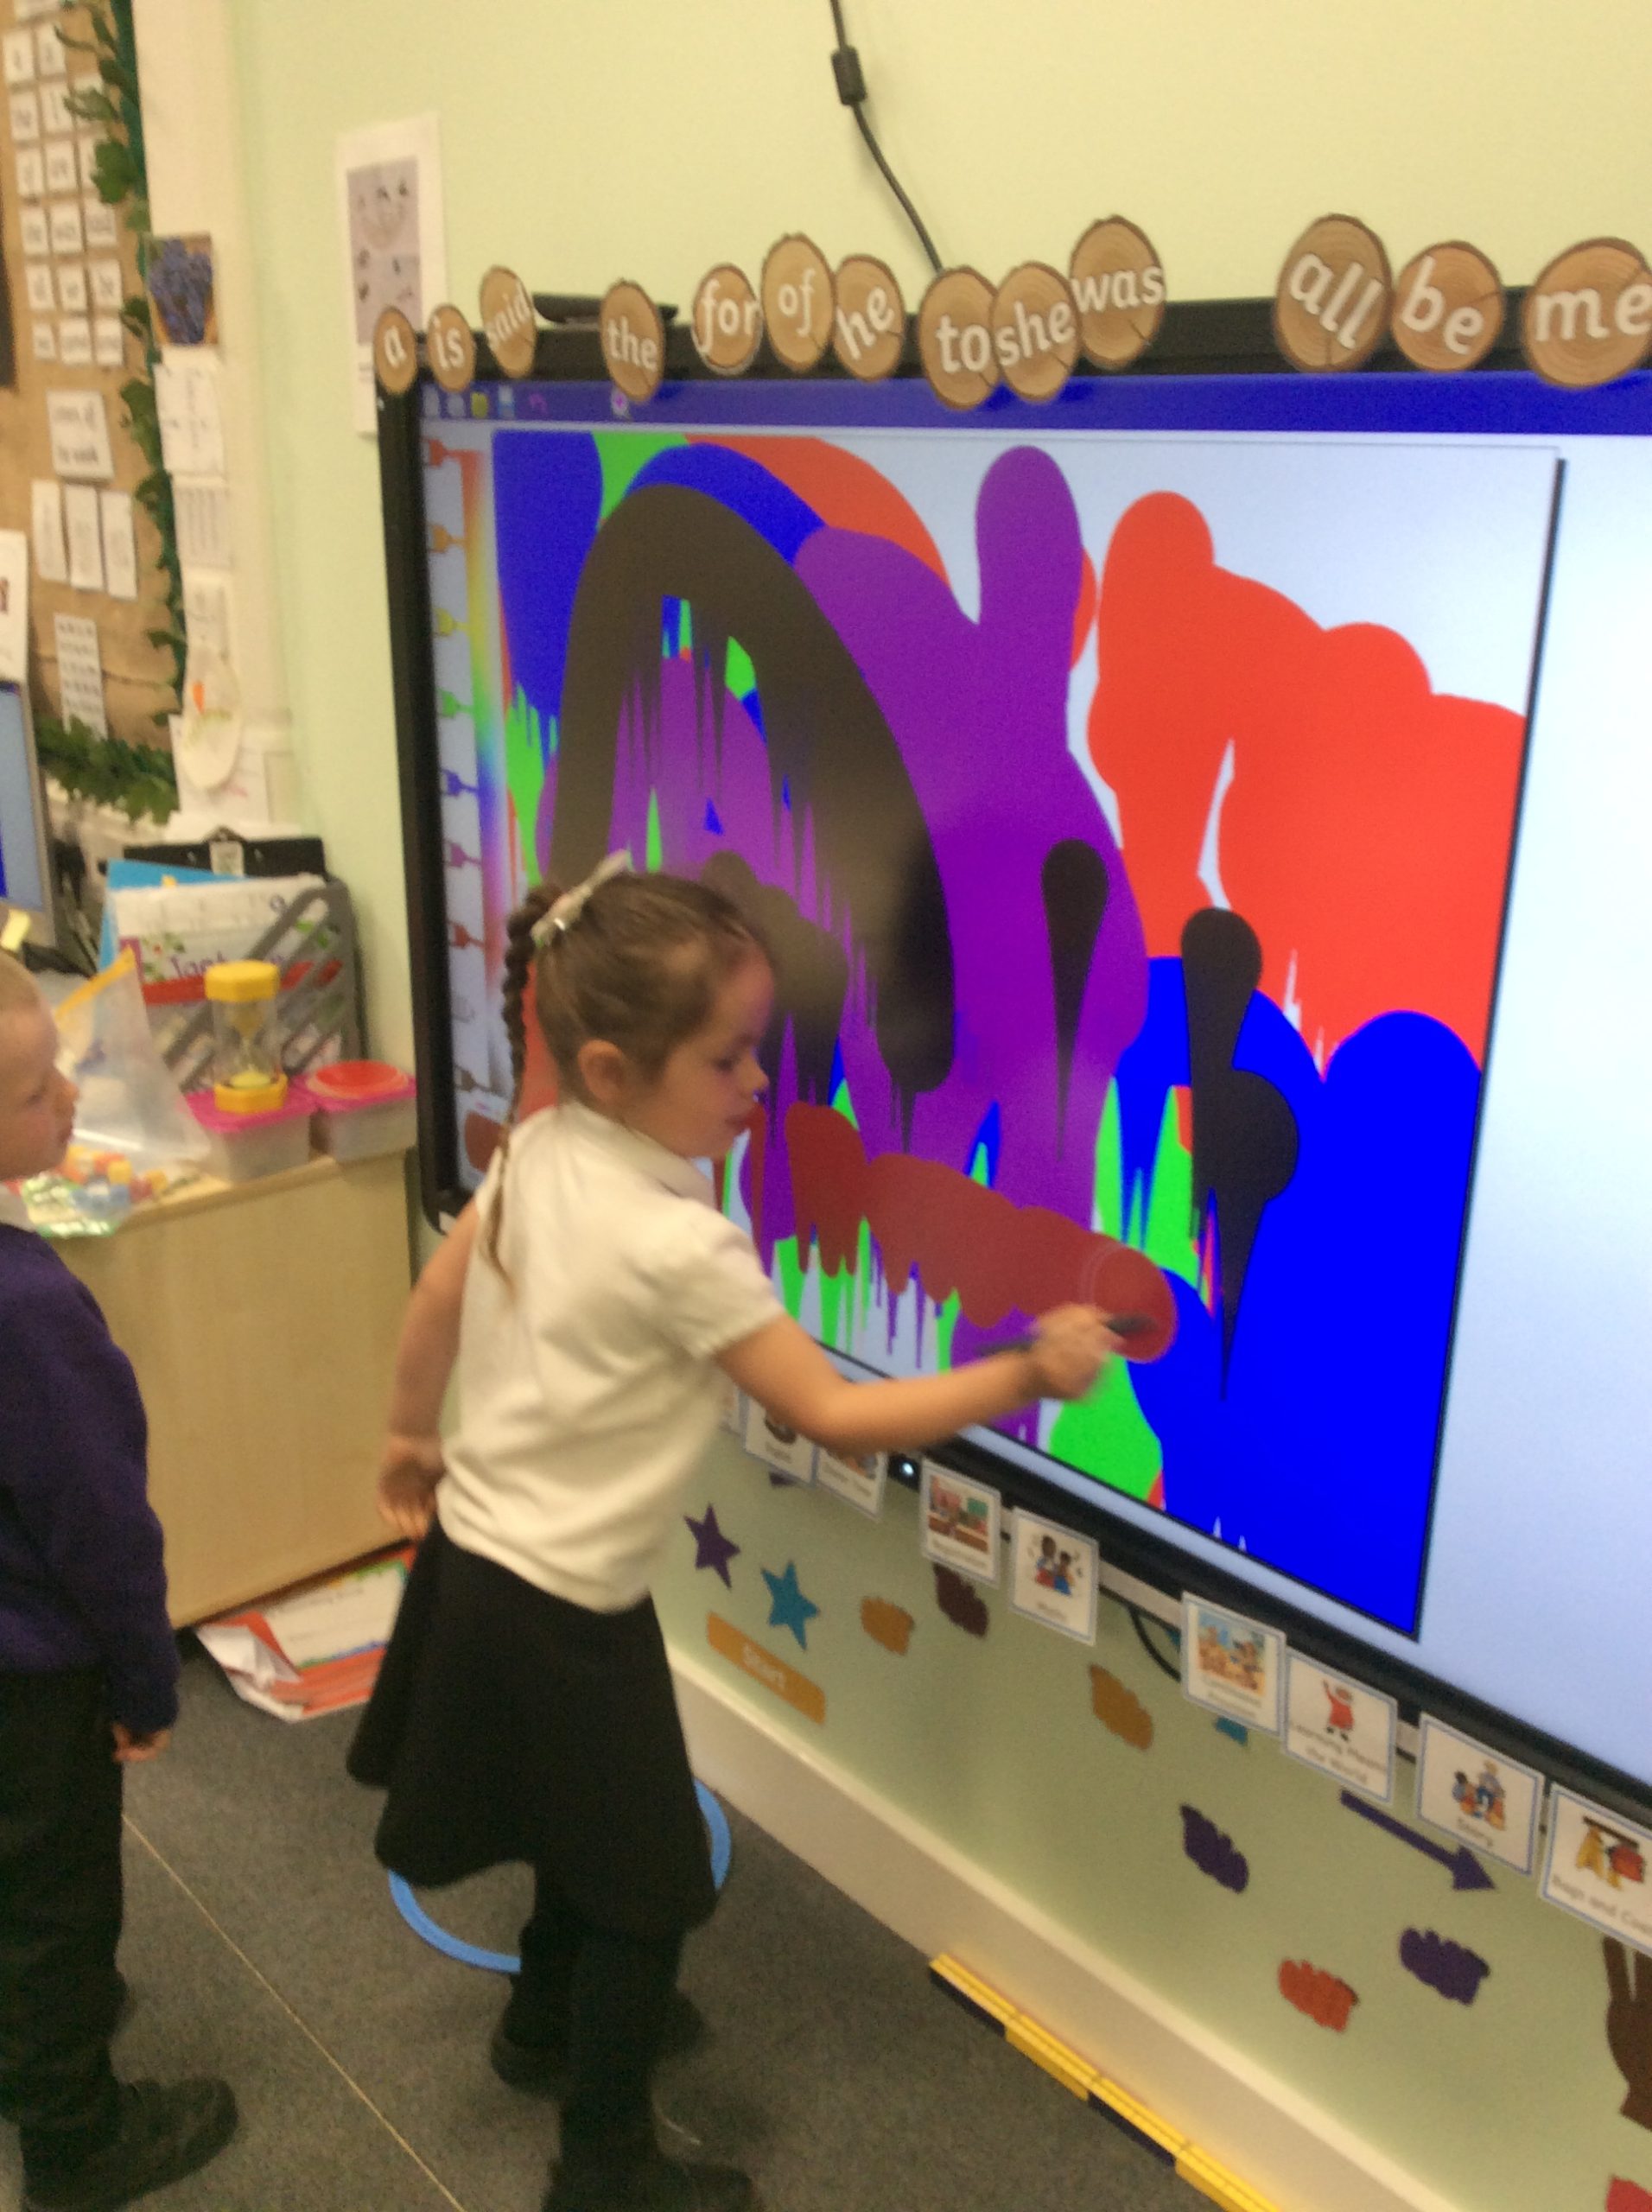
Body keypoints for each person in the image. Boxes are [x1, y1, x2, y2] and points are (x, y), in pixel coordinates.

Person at [349, 859, 1120, 2212]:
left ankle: (542, 2022)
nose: (758, 1081)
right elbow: (833, 1412)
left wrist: (412, 1438)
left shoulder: (539, 1148)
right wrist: (1025, 1373)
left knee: (577, 1828)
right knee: (650, 1892)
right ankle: (604, 2170)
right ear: (609, 1067)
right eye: (727, 1058)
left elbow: (434, 1300)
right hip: (567, 1611)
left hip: (479, 1567)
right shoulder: (677, 1244)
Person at [0, 951, 237, 2211]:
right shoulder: (31, 1311)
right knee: (57, 1904)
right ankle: (75, 2140)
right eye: (39, 1090)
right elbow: (100, 1528)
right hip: (34, 1684)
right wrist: (146, 1680)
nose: (71, 1101)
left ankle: (21, 2044)